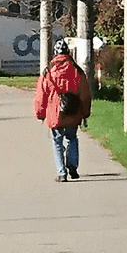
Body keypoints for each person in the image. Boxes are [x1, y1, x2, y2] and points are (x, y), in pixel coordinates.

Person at [34, 38, 92, 182]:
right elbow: (85, 94)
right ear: (68, 53)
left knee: (57, 141)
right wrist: (85, 113)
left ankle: (61, 173)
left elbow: (41, 95)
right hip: (73, 111)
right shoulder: (77, 71)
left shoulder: (48, 72)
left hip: (55, 113)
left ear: (55, 54)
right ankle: (72, 166)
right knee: (72, 138)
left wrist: (40, 113)